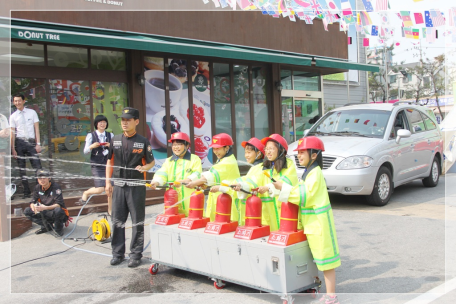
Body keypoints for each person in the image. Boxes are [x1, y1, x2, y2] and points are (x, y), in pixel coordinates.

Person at [272, 136, 340, 304]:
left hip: (319, 224)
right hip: (312, 224)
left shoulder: (315, 174)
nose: (299, 156)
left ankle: (332, 296)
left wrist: (284, 188)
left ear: (314, 155)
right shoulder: (309, 172)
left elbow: (304, 196)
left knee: (326, 261)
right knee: (316, 258)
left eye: (303, 153)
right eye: (298, 153)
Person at [105, 107, 155, 268]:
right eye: (123, 120)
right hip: (119, 185)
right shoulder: (115, 139)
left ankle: (135, 254)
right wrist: (107, 182)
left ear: (136, 122)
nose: (125, 123)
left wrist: (145, 168)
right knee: (117, 220)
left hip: (136, 186)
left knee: (137, 221)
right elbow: (109, 161)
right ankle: (117, 254)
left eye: (128, 120)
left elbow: (151, 162)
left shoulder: (143, 141)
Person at [233, 134, 298, 232]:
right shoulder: (265, 166)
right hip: (270, 212)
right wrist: (242, 185)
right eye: (266, 149)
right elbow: (255, 180)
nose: (268, 152)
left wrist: (268, 187)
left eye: (271, 148)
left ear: (281, 150)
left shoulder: (289, 164)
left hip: (285, 211)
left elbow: (286, 181)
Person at [185, 133, 240, 222]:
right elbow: (218, 177)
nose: (215, 151)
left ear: (227, 148)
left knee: (225, 226)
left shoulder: (228, 161)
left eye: (218, 148)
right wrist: (205, 184)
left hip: (226, 201)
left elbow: (211, 174)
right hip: (220, 198)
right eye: (214, 148)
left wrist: (194, 183)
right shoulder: (223, 159)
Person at [148, 132, 202, 216]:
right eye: (174, 145)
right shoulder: (169, 160)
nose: (176, 147)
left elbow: (197, 174)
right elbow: (163, 172)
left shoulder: (194, 159)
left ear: (187, 146)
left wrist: (186, 180)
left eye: (179, 144)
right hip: (171, 200)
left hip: (190, 200)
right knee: (172, 223)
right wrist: (156, 182)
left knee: (190, 222)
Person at [10, 94, 42, 199]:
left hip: (31, 142)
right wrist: (13, 148)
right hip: (19, 143)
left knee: (37, 167)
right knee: (22, 169)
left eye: (19, 100)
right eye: (15, 101)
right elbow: (12, 133)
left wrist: (38, 144)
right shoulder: (13, 116)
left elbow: (36, 128)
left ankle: (41, 190)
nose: (17, 103)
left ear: (24, 101)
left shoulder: (32, 112)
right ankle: (26, 192)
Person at [80, 115, 114, 214]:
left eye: (104, 122)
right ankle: (86, 192)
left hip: (108, 164)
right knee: (100, 189)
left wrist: (110, 146)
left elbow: (116, 149)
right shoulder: (91, 135)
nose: (102, 124)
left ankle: (110, 210)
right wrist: (92, 146)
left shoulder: (110, 135)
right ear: (96, 124)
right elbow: (85, 151)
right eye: (100, 122)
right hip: (97, 165)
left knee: (110, 189)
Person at [23, 169, 68, 236]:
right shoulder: (37, 187)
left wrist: (45, 207)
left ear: (49, 178)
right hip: (44, 211)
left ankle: (58, 229)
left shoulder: (56, 187)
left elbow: (58, 205)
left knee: (58, 210)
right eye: (40, 178)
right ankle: (46, 226)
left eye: (44, 178)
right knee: (27, 211)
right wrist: (34, 207)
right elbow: (32, 201)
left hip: (55, 212)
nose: (42, 180)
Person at [233, 138, 265, 226]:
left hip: (255, 212)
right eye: (245, 152)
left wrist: (240, 184)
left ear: (258, 153)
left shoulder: (260, 168)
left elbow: (252, 183)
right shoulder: (254, 167)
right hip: (252, 211)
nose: (246, 156)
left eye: (249, 152)